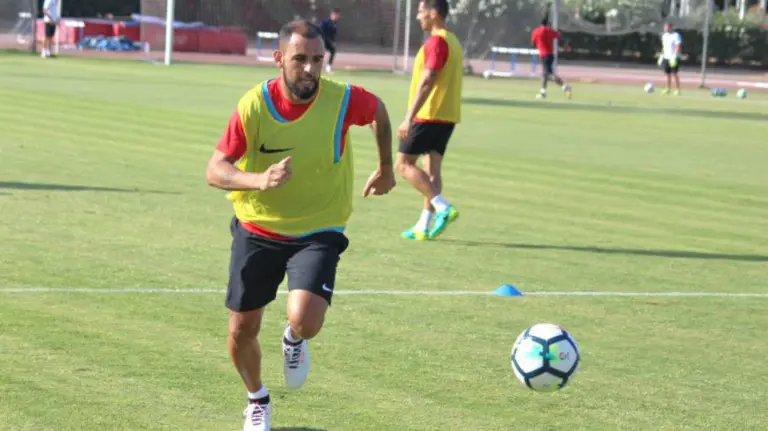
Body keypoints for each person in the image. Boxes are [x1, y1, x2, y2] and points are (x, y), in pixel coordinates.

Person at [205, 19, 396, 431]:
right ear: (279, 59)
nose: (310, 69)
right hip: (258, 227)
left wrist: (386, 167)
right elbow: (215, 169)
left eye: (317, 60)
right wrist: (260, 180)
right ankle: (257, 399)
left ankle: (293, 340)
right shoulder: (254, 106)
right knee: (242, 330)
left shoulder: (343, 100)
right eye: (300, 60)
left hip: (318, 228)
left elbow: (379, 111)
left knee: (305, 320)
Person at [396, 0, 463, 241]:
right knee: (431, 170)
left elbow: (428, 79)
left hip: (428, 114)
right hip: (447, 115)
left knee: (403, 165)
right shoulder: (453, 40)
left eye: (421, 12)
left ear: (433, 14)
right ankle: (423, 226)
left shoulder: (437, 41)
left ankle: (442, 207)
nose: (418, 17)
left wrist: (408, 117)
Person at [530, 19, 572, 100]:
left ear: (540, 24)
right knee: (545, 75)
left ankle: (565, 87)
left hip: (544, 54)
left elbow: (533, 44)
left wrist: (538, 44)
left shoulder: (536, 31)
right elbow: (560, 38)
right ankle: (543, 92)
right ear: (548, 24)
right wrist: (565, 46)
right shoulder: (550, 31)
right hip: (550, 55)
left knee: (549, 74)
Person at [659, 22, 682, 95]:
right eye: (665, 27)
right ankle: (668, 88)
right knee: (667, 74)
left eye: (667, 27)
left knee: (674, 74)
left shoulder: (676, 35)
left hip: (673, 58)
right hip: (666, 57)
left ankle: (678, 89)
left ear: (670, 27)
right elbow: (664, 46)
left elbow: (677, 46)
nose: (665, 28)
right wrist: (661, 56)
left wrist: (674, 56)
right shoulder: (664, 36)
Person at [319, 8, 341, 73]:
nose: (337, 16)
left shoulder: (334, 24)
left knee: (333, 50)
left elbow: (333, 35)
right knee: (320, 54)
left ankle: (328, 67)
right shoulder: (326, 22)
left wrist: (332, 41)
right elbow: (320, 30)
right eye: (336, 15)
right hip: (321, 40)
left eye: (338, 15)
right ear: (332, 14)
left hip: (327, 41)